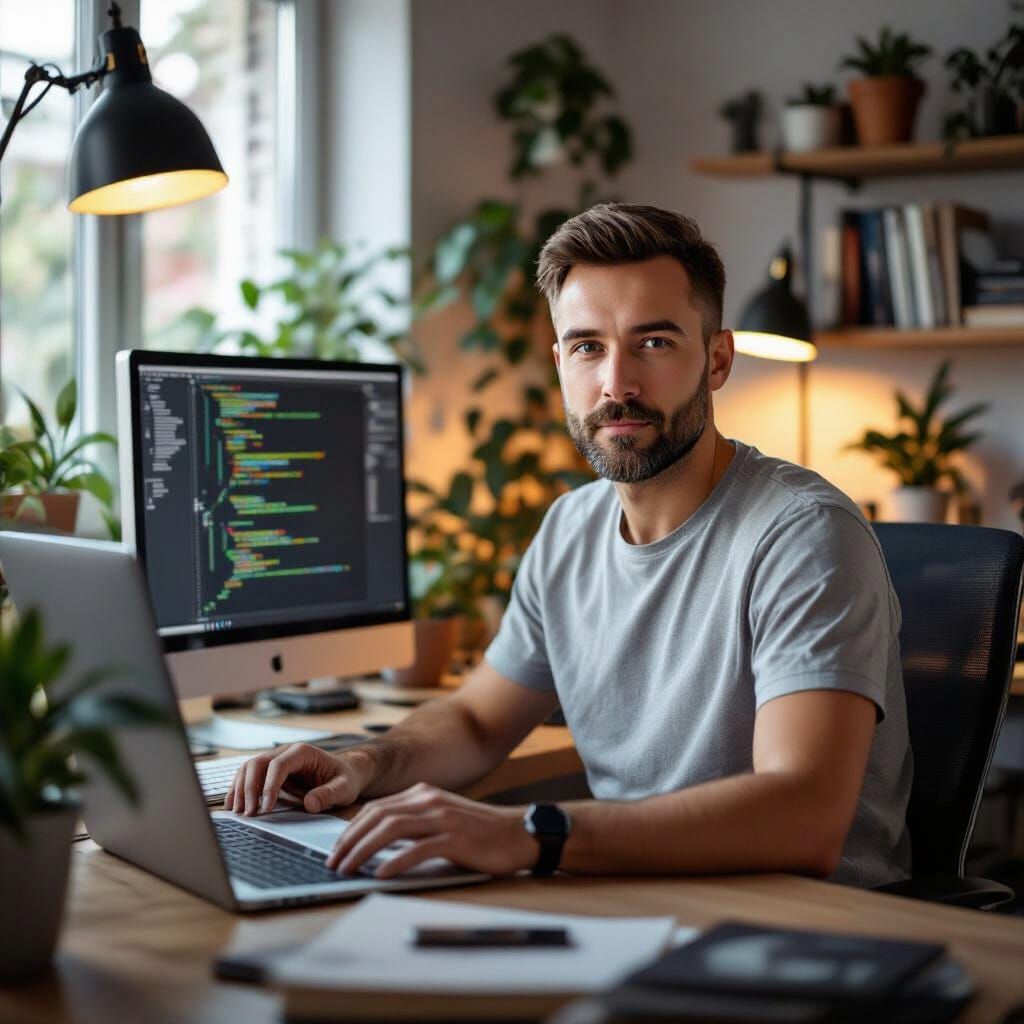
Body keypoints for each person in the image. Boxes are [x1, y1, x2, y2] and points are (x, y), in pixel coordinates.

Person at [225, 203, 912, 889]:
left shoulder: (803, 536)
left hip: (806, 931)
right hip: (635, 902)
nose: (617, 384)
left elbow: (804, 818)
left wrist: (531, 833)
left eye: (655, 342)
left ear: (718, 359)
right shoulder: (568, 530)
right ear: (559, 363)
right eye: (588, 346)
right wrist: (363, 764)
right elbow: (473, 722)